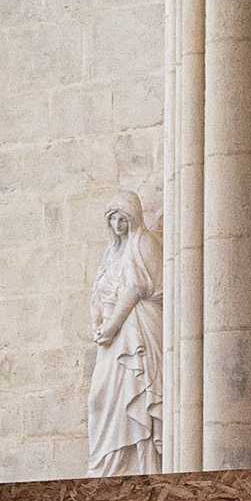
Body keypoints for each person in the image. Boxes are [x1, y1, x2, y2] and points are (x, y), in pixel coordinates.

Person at [87, 191, 165, 476]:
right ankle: (108, 467)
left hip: (137, 330)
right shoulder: (112, 252)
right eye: (114, 219)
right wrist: (98, 320)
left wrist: (112, 326)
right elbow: (99, 291)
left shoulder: (143, 242)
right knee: (98, 399)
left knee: (136, 392)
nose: (119, 224)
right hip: (113, 336)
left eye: (123, 218)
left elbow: (135, 289)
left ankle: (141, 466)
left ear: (134, 218)